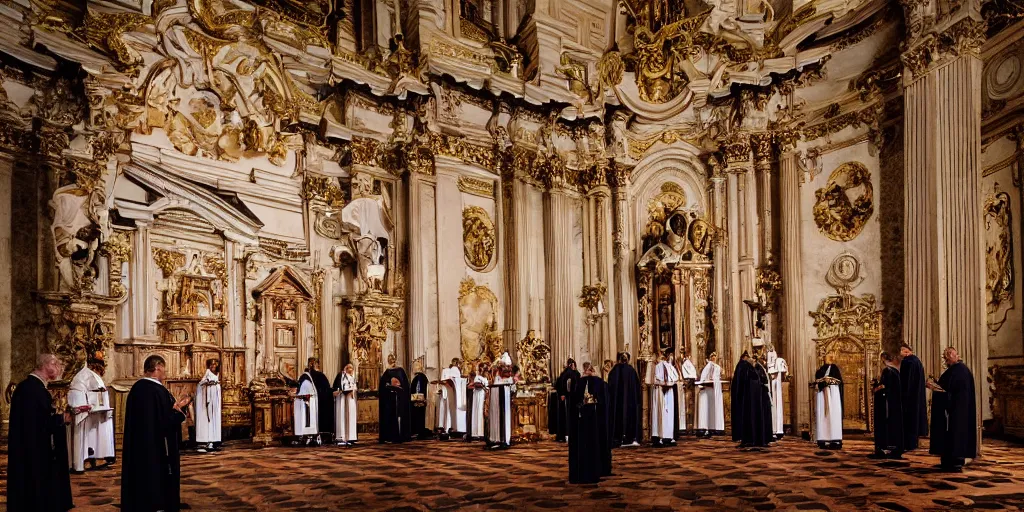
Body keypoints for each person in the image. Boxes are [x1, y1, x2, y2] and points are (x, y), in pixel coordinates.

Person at [121, 355, 192, 512]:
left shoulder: (136, 389)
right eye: (163, 370)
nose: (164, 374)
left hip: (138, 447)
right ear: (158, 368)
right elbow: (165, 422)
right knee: (156, 481)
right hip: (157, 450)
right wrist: (181, 410)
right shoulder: (158, 391)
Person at [7, 354, 74, 512]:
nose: (60, 368)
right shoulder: (34, 390)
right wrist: (60, 419)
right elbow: (38, 424)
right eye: (56, 364)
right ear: (47, 365)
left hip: (27, 447)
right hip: (33, 450)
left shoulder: (29, 387)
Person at [928, 346, 977, 472]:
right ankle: (948, 460)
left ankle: (954, 461)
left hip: (957, 412)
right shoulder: (956, 370)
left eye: (948, 357)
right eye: (945, 357)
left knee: (956, 435)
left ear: (956, 355)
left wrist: (936, 389)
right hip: (954, 411)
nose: (946, 360)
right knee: (950, 435)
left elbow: (953, 392)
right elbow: (947, 387)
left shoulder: (960, 371)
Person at [68, 352, 115, 472]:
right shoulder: (82, 376)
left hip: (93, 409)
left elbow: (99, 390)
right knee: (84, 435)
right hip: (83, 408)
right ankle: (82, 461)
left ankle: (95, 457)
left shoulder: (90, 375)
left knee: (95, 433)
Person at [568, 362, 611, 484]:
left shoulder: (579, 382)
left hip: (581, 420)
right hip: (594, 419)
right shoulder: (599, 383)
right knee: (593, 443)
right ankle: (595, 469)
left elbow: (574, 402)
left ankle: (581, 471)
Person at [871, 352, 904, 460]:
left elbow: (884, 386)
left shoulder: (887, 371)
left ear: (883, 359)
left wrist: (876, 388)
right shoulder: (896, 371)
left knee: (885, 425)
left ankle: (885, 448)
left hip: (886, 403)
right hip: (894, 404)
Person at [608, 352, 642, 447]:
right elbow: (637, 387)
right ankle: (629, 437)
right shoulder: (631, 371)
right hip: (630, 402)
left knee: (618, 416)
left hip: (617, 402)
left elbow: (610, 385)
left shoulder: (615, 370)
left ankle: (618, 437)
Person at [899, 343, 928, 451]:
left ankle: (908, 444)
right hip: (916, 396)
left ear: (906, 350)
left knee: (909, 421)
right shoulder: (917, 361)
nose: (900, 353)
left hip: (908, 397)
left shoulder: (908, 362)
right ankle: (913, 443)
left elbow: (906, 381)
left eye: (902, 350)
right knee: (914, 420)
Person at [813, 352, 844, 450]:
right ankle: (823, 438)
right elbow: (817, 379)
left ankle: (834, 439)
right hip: (822, 395)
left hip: (833, 394)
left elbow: (838, 381)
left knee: (833, 415)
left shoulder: (834, 369)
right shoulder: (821, 369)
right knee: (823, 415)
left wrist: (828, 381)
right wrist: (820, 383)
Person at [379, 353, 411, 443]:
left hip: (399, 398)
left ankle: (401, 435)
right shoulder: (386, 372)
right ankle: (391, 436)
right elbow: (382, 386)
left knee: (400, 416)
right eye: (389, 358)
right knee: (390, 417)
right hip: (390, 400)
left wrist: (399, 387)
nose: (391, 360)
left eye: (392, 358)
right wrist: (388, 386)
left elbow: (405, 384)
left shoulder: (400, 370)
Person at [650, 352, 679, 446]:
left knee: (664, 413)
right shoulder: (664, 366)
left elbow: (674, 377)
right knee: (664, 413)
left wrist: (666, 383)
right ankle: (663, 436)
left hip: (664, 390)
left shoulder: (663, 366)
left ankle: (663, 436)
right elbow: (675, 378)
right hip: (664, 389)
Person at [195, 358, 221, 453]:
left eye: (215, 364)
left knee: (214, 421)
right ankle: (204, 442)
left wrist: (216, 385)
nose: (213, 366)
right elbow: (201, 384)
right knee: (206, 420)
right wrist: (207, 383)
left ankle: (213, 441)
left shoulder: (217, 374)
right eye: (212, 364)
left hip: (215, 402)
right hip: (206, 401)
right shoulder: (206, 373)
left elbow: (217, 386)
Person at [487, 354, 514, 450]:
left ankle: (504, 439)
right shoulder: (495, 375)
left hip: (504, 397)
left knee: (504, 417)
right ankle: (495, 438)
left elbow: (511, 386)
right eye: (504, 367)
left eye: (508, 368)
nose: (507, 370)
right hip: (495, 396)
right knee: (496, 417)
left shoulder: (509, 379)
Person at [437, 358, 467, 439]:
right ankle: (451, 427)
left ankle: (450, 427)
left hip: (453, 392)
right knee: (451, 410)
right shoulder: (454, 370)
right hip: (454, 392)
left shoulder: (451, 370)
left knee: (450, 410)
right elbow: (454, 379)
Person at [307, 358, 335, 443]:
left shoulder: (306, 376)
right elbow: (326, 389)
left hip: (311, 401)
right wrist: (332, 392)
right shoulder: (320, 376)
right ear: (316, 365)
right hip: (322, 402)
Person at [551, 358, 580, 442]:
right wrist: (563, 393)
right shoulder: (570, 373)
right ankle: (567, 434)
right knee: (567, 416)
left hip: (569, 398)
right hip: (569, 398)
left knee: (566, 416)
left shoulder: (565, 373)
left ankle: (565, 434)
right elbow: (562, 384)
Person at [697, 352, 724, 437]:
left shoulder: (717, 367)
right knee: (707, 409)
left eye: (715, 357)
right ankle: (707, 427)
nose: (714, 358)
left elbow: (721, 373)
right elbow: (704, 377)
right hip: (708, 389)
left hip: (715, 389)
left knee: (715, 407)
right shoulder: (708, 367)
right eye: (712, 357)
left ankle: (716, 427)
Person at [293, 365, 320, 445]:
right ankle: (307, 437)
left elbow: (302, 393)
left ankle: (305, 437)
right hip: (308, 404)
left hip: (305, 405)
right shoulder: (308, 381)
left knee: (304, 421)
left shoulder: (305, 382)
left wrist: (297, 395)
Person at [333, 363, 358, 446]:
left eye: (352, 368)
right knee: (342, 416)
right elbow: (340, 387)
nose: (351, 369)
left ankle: (351, 437)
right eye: (349, 368)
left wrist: (353, 390)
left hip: (351, 400)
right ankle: (342, 437)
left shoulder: (352, 377)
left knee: (351, 417)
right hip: (342, 398)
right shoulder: (342, 375)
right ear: (346, 369)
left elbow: (354, 386)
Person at [767, 348, 788, 440]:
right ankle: (775, 429)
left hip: (777, 385)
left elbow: (783, 371)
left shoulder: (779, 361)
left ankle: (778, 429)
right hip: (774, 386)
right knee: (774, 404)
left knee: (778, 404)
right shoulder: (773, 363)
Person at [466, 362, 488, 441]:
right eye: (482, 369)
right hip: (478, 395)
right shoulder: (477, 377)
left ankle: (482, 432)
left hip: (484, 396)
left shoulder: (486, 378)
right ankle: (476, 433)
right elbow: (475, 385)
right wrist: (482, 386)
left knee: (482, 414)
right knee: (477, 413)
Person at [677, 353, 697, 435]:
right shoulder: (684, 364)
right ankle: (686, 427)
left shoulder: (687, 363)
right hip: (685, 385)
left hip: (687, 385)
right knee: (686, 407)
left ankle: (688, 427)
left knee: (688, 407)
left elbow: (692, 375)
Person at [410, 363, 431, 439]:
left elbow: (418, 390)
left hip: (418, 401)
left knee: (419, 416)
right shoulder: (421, 377)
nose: (413, 369)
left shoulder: (419, 377)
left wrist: (417, 399)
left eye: (414, 367)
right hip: (419, 400)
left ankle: (419, 432)